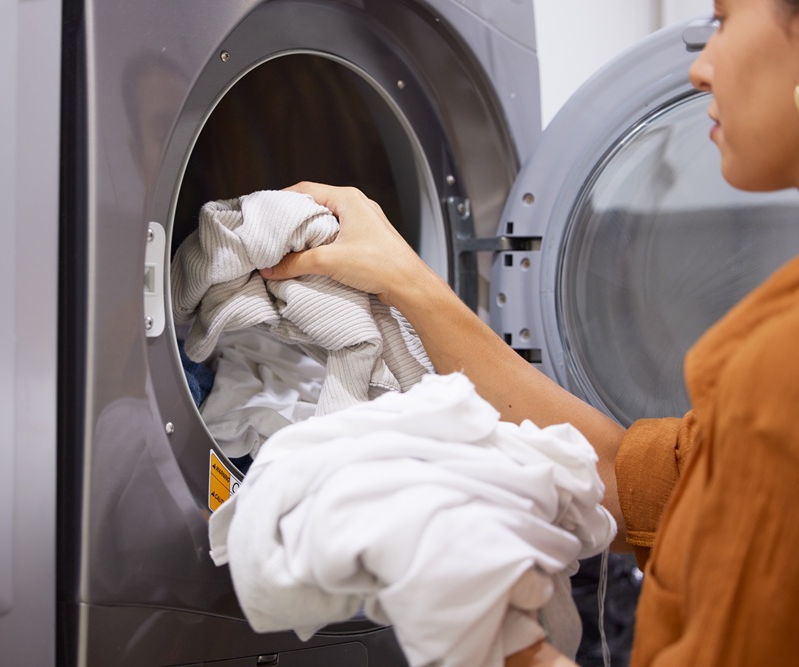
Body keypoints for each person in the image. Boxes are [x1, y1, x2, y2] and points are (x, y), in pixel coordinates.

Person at [257, 0, 799, 664]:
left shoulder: (782, 367)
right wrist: (411, 281)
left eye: (722, 19)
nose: (700, 68)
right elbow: (631, 483)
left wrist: (491, 628)